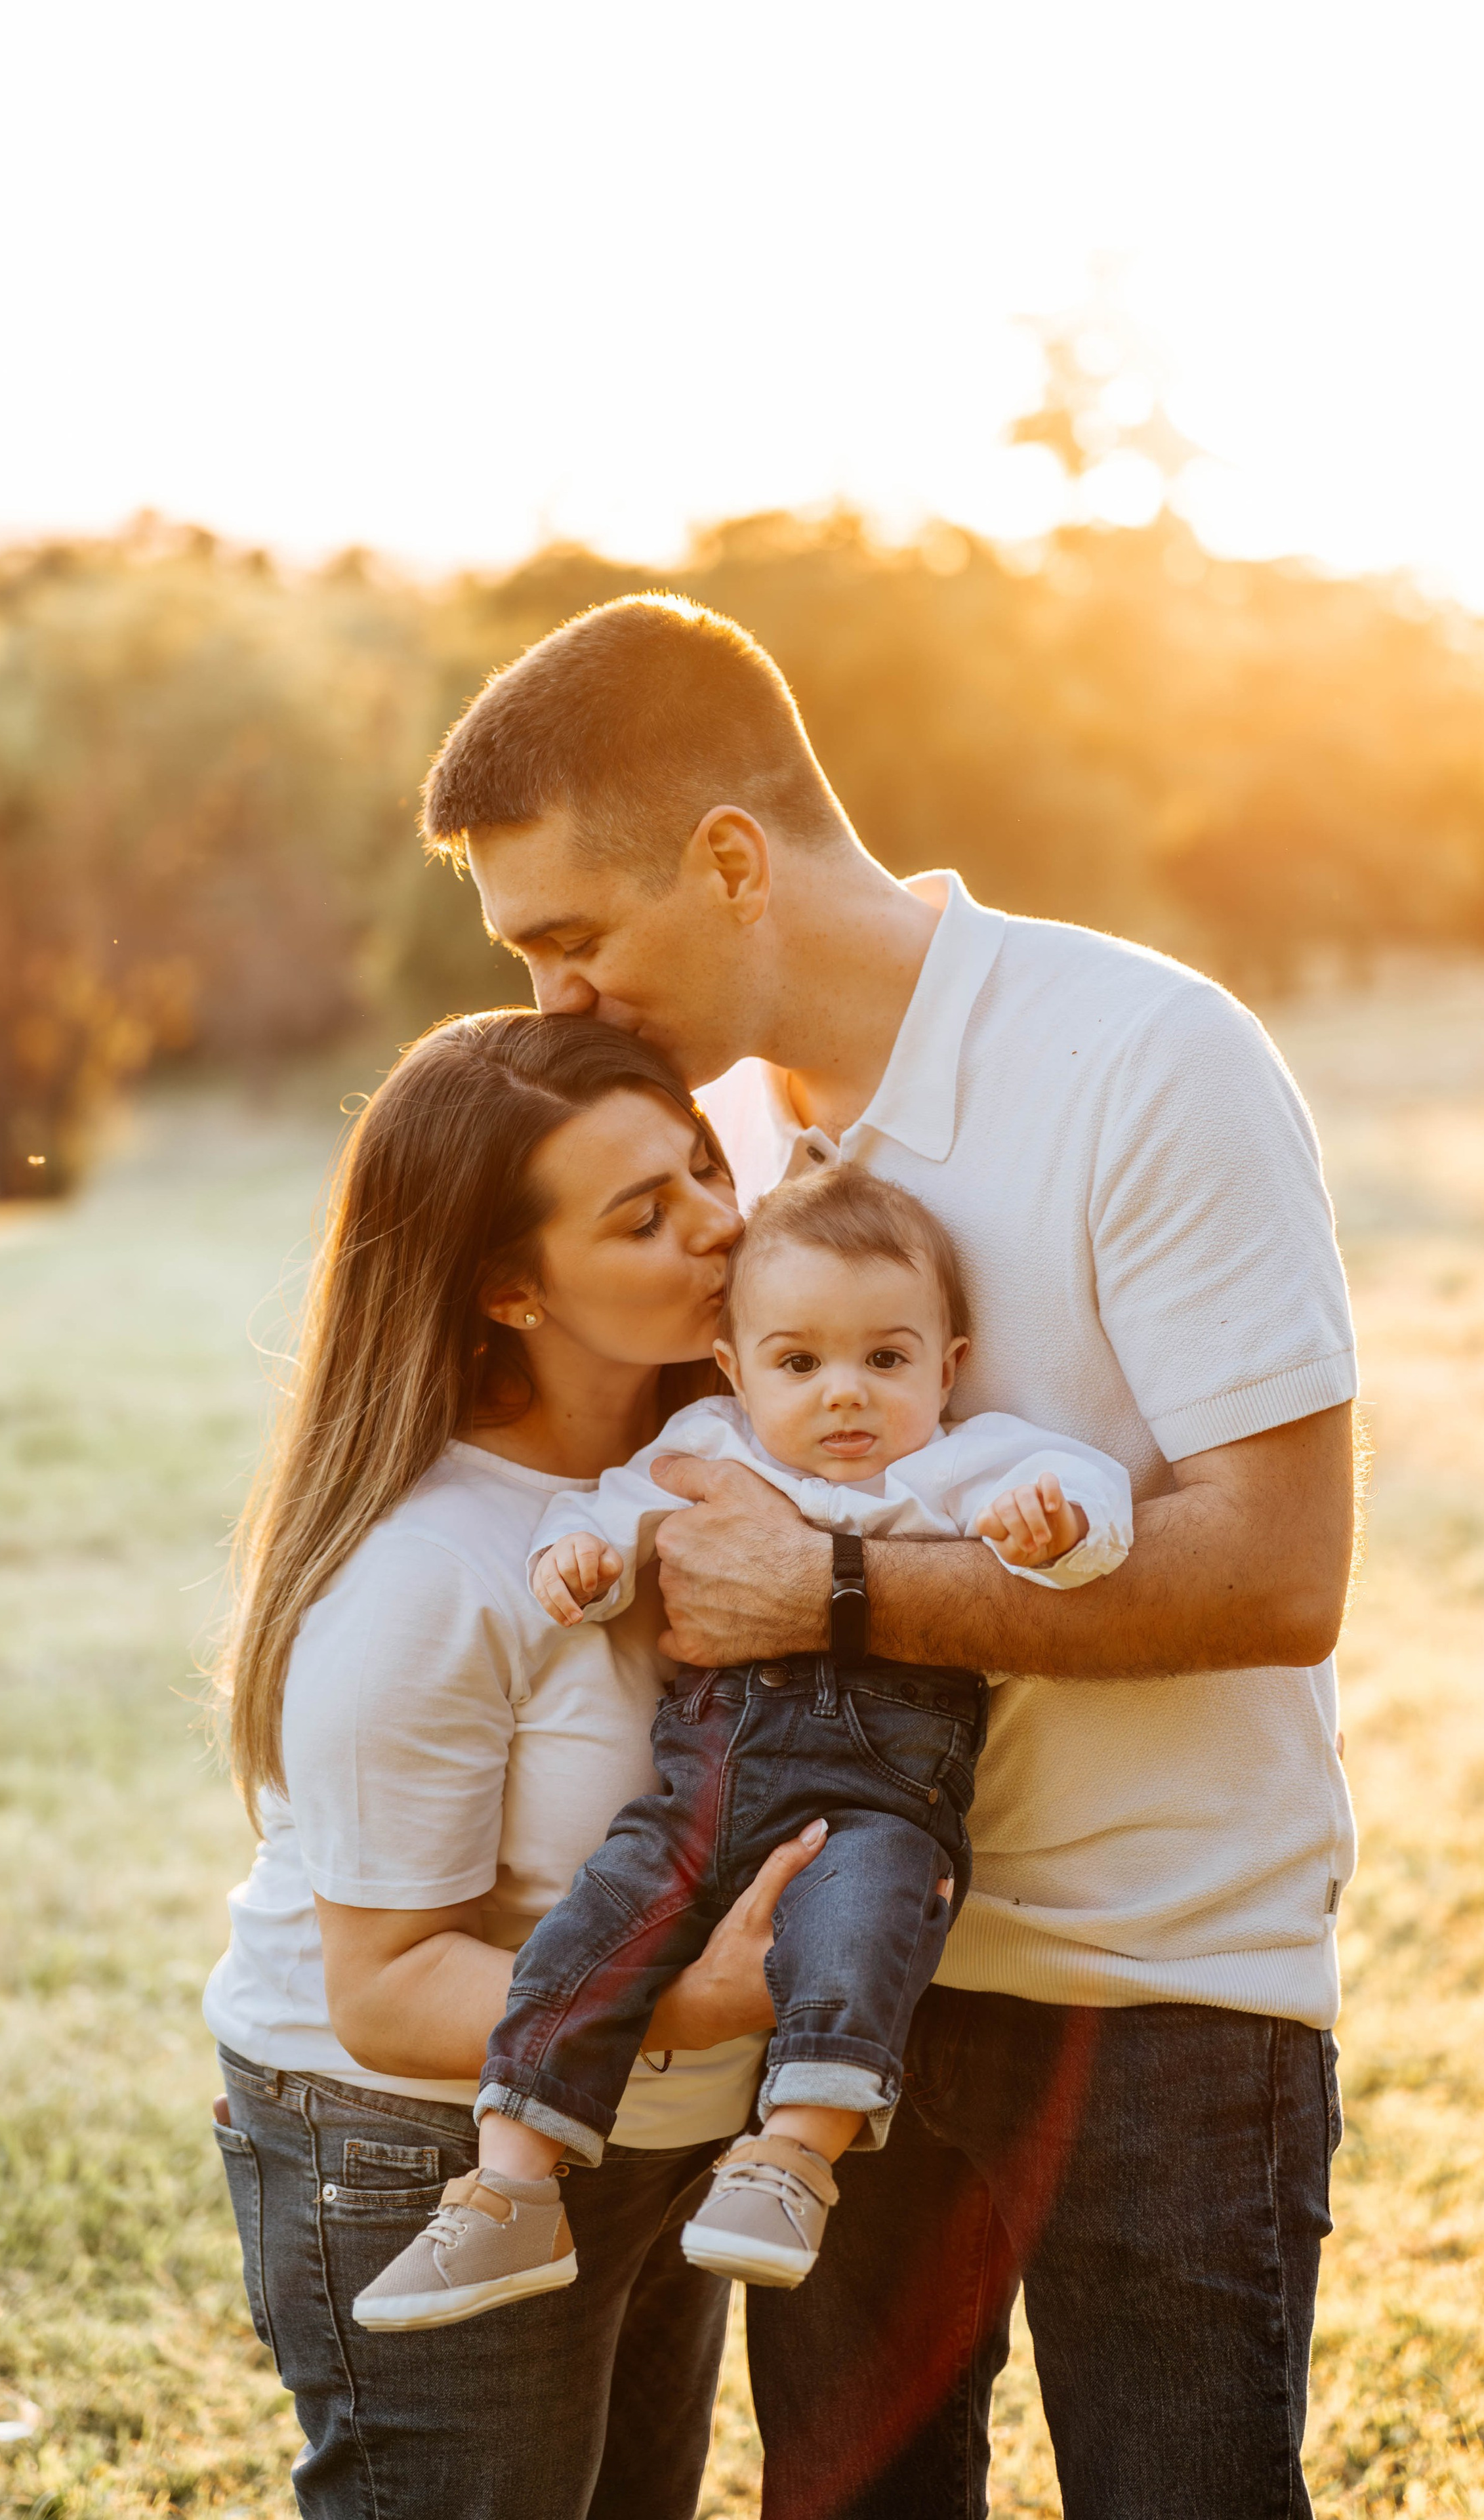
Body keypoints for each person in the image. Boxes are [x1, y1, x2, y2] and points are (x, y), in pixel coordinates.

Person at [419, 593, 1361, 2520]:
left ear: (732, 862)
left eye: (572, 940)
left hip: (1152, 1989)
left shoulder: (1144, 1057)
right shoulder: (702, 1147)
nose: (557, 1003)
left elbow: (1281, 1570)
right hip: (820, 1996)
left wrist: (840, 1593)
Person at [202, 1008, 825, 2520]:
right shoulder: (426, 1573)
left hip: (647, 2124)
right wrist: (692, 2003)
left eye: (703, 1167)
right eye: (643, 1216)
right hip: (412, 2136)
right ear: (507, 1289)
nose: (718, 1224)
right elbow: (389, 1983)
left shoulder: (722, 1458)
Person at [354, 1167, 1132, 2328]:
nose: (844, 1395)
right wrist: (584, 1563)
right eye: (798, 1363)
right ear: (734, 1370)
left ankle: (792, 2158)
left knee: (862, 1930)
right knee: (592, 1930)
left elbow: (1090, 1490)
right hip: (702, 1798)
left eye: (886, 1358)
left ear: (948, 1368)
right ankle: (512, 2187)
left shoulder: (965, 1466)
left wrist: (1055, 1525)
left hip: (873, 1806)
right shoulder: (712, 1444)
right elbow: (607, 1510)